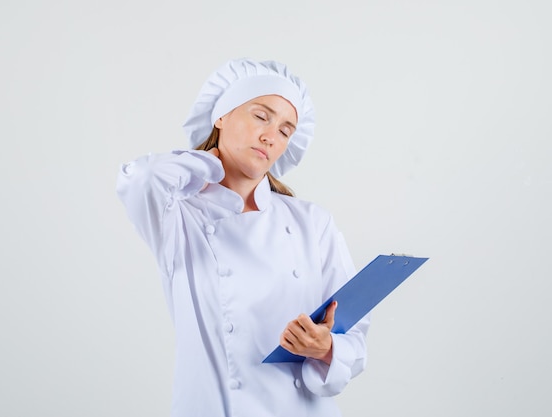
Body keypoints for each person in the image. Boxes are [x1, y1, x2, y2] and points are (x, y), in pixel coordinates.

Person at [116, 58, 370, 416]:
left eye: (285, 130)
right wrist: (210, 162)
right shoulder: (180, 217)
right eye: (261, 116)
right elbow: (141, 178)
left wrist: (326, 348)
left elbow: (354, 337)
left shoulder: (312, 222)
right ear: (221, 115)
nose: (270, 136)